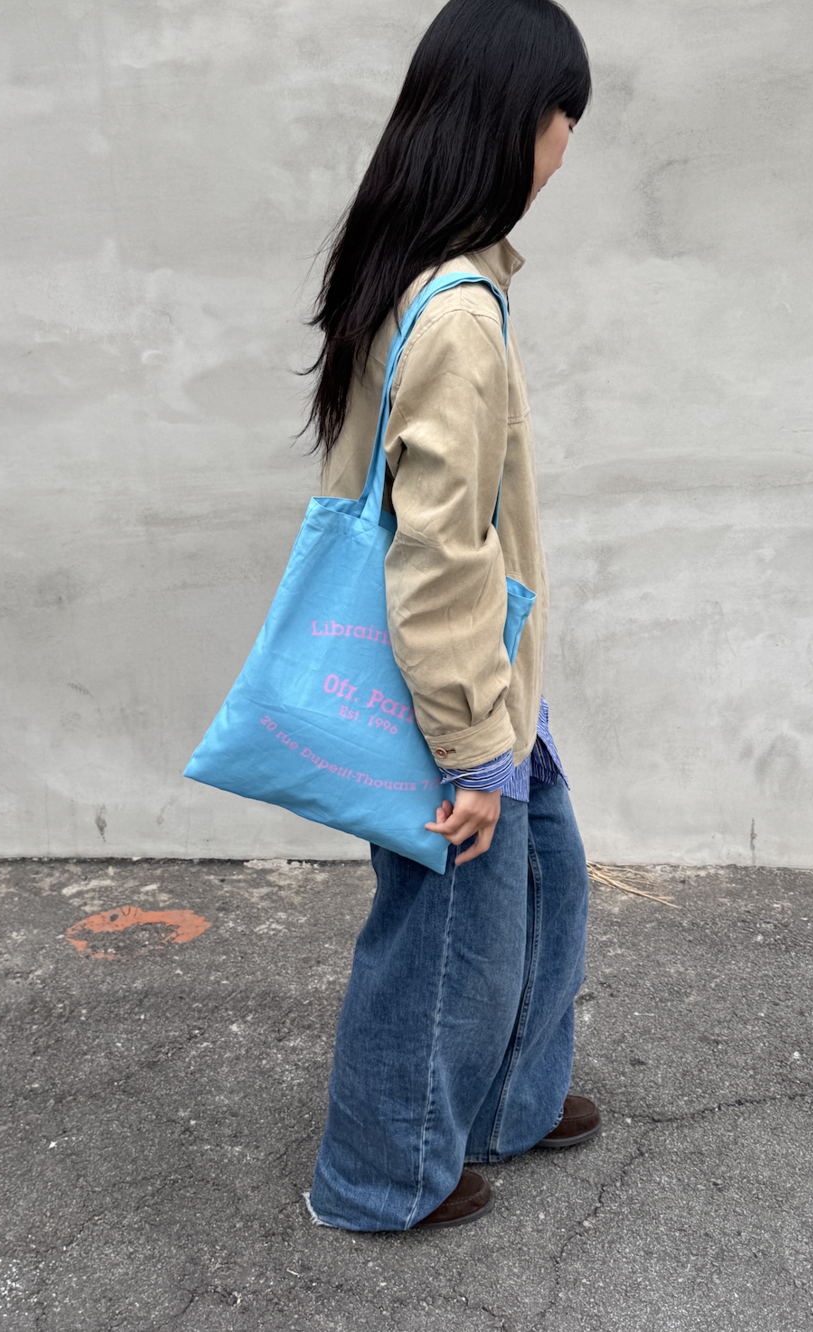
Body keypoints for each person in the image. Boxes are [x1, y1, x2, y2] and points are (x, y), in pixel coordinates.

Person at [303, 0, 596, 1232]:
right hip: (453, 676)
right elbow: (439, 550)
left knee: (543, 878)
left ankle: (505, 1106)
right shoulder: (459, 310)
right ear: (519, 122)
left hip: (478, 664)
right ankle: (377, 1176)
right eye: (564, 118)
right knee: (440, 935)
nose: (566, 146)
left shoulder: (411, 269)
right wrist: (474, 742)